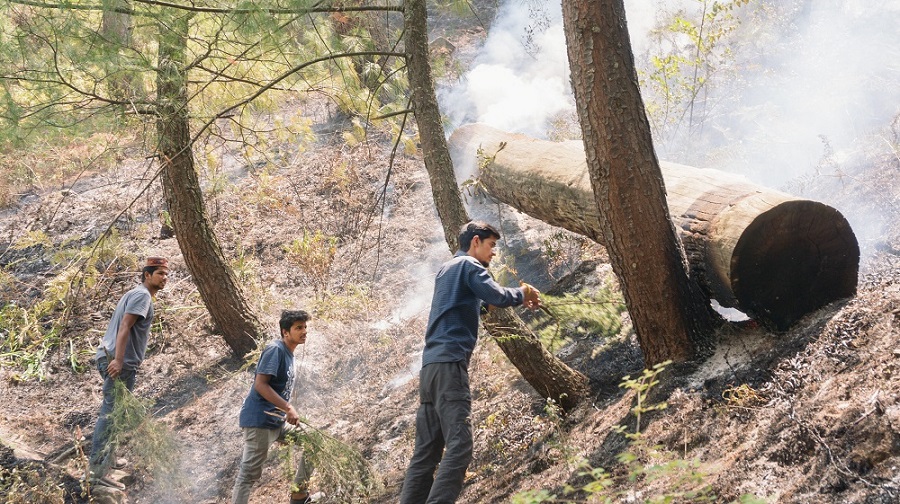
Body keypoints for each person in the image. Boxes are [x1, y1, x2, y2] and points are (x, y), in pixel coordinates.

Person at [400, 221, 541, 504]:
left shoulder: (446, 270)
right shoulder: (469, 267)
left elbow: (464, 304)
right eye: (491, 246)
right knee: (460, 445)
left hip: (430, 370)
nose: (493, 254)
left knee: (425, 453)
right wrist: (523, 293)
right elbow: (498, 295)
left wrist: (482, 308)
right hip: (451, 365)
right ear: (475, 242)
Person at [89, 256, 169, 489]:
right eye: (160, 273)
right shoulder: (142, 296)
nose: (164, 278)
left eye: (166, 274)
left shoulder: (136, 294)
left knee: (117, 414)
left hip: (113, 358)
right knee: (111, 414)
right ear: (147, 275)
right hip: (117, 361)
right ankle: (97, 472)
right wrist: (120, 360)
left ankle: (108, 461)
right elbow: (125, 326)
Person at [232, 310, 316, 504]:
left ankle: (299, 495)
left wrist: (284, 412)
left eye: (305, 327)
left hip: (276, 421)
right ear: (285, 332)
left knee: (313, 442)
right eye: (298, 328)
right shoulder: (276, 349)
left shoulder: (290, 354)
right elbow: (260, 384)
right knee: (248, 475)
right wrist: (288, 408)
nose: (304, 331)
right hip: (260, 421)